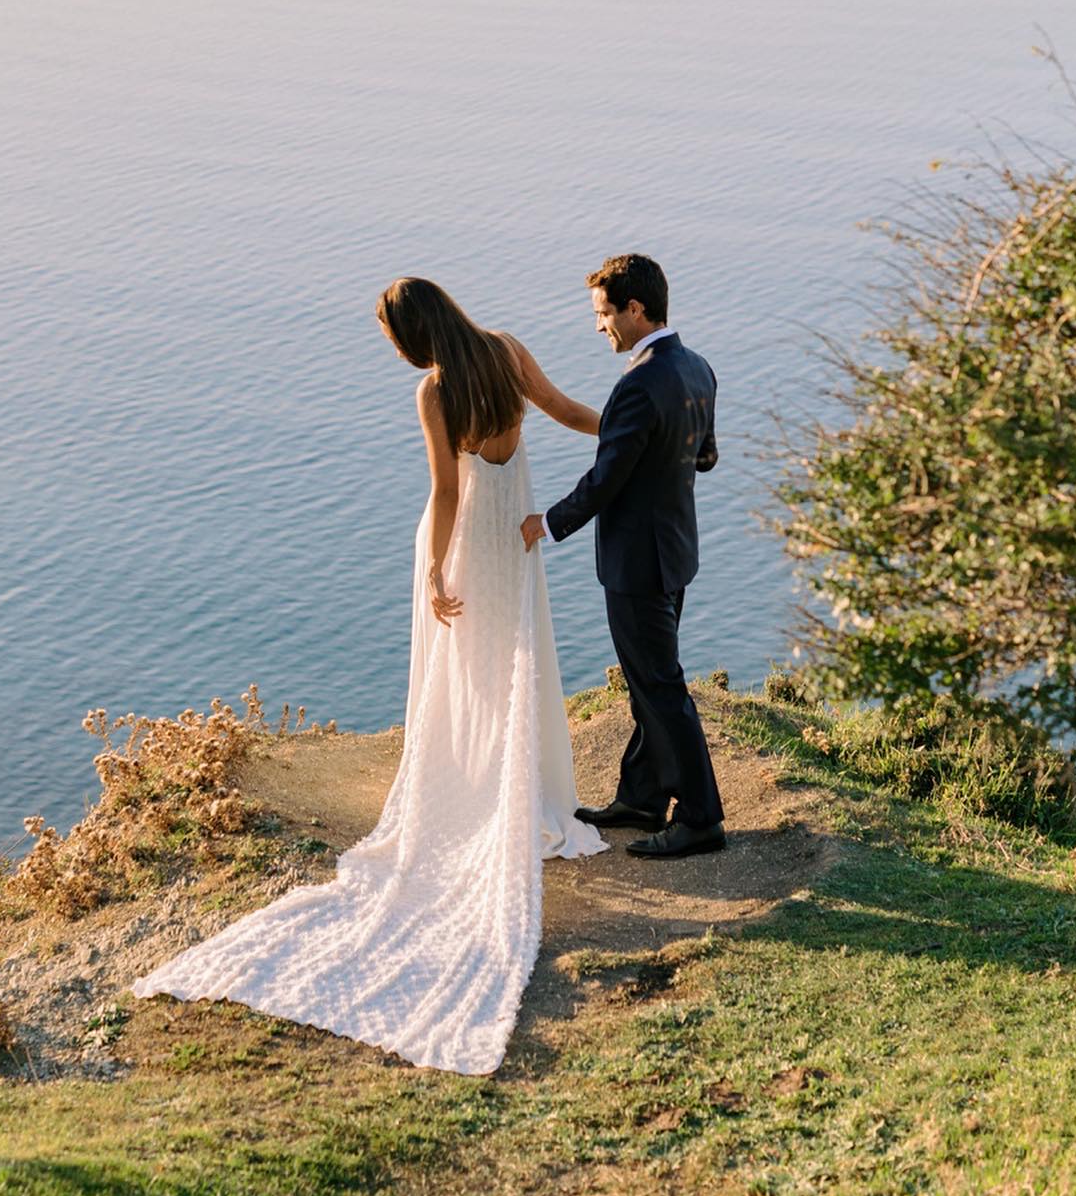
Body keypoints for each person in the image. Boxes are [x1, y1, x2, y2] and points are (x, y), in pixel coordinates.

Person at [131, 277, 606, 1075]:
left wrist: (432, 573)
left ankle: (478, 790)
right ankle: (523, 793)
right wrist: (633, 432)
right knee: (514, 665)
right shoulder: (507, 353)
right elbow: (568, 414)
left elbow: (446, 491)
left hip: (465, 543)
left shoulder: (438, 391)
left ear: (412, 334)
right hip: (514, 545)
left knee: (465, 677)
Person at [521, 252, 725, 859]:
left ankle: (701, 819)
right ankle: (641, 797)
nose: (600, 325)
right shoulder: (696, 367)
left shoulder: (638, 383)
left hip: (640, 563)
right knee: (646, 682)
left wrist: (549, 523)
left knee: (661, 688)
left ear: (636, 310)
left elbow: (607, 476)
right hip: (675, 552)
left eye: (605, 313)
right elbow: (705, 457)